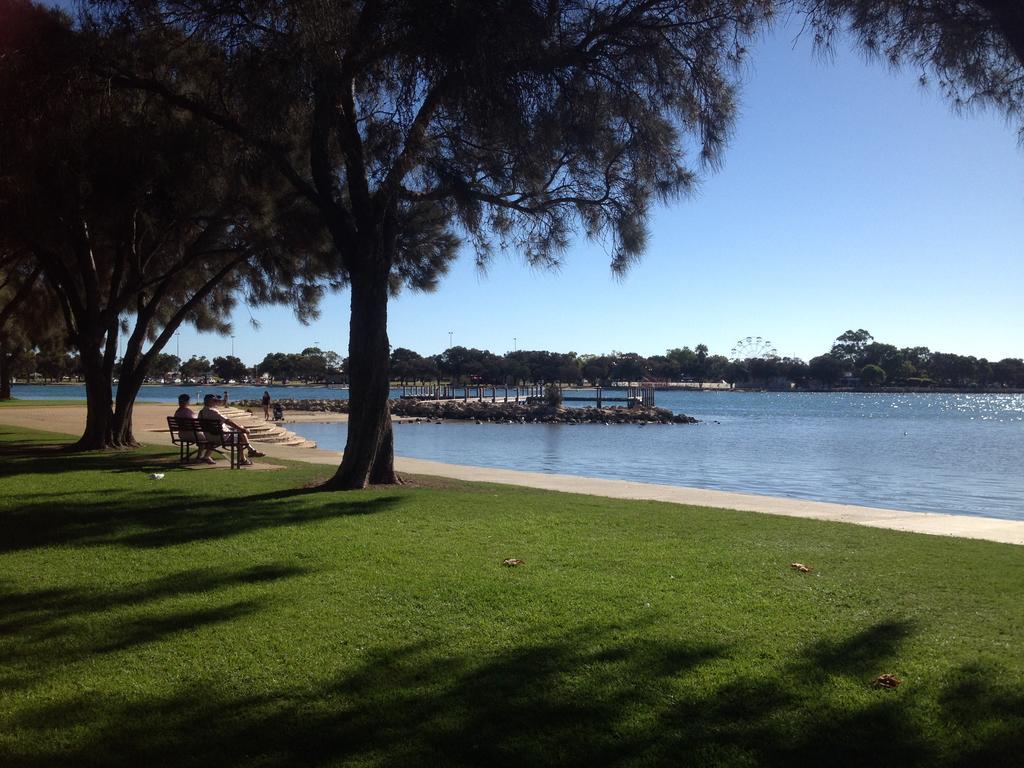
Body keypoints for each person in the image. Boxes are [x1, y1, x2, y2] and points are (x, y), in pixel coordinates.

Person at [198, 393, 265, 465]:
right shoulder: (213, 411)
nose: (216, 402)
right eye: (214, 401)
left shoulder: (201, 412)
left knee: (239, 431)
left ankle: (248, 453)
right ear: (210, 402)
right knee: (240, 435)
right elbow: (227, 421)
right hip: (221, 437)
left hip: (209, 436)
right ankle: (248, 453)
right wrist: (241, 429)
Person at [174, 394, 214, 464]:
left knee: (203, 438)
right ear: (187, 401)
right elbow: (196, 423)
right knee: (210, 438)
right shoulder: (187, 411)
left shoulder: (177, 412)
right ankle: (201, 457)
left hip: (182, 434)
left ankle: (205, 457)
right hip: (191, 434)